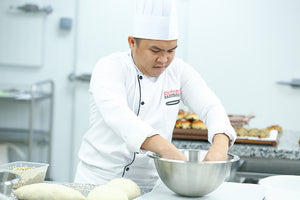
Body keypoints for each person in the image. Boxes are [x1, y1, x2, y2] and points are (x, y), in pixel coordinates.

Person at [74, 0, 236, 190]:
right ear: (132, 42)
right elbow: (120, 117)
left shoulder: (179, 71)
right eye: (155, 50)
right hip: (99, 180)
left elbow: (210, 106)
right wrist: (168, 150)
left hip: (151, 185)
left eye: (171, 50)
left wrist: (220, 143)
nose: (164, 59)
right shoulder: (110, 67)